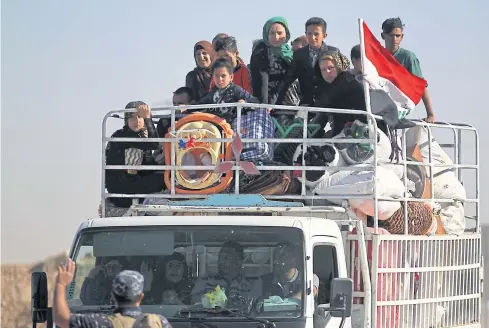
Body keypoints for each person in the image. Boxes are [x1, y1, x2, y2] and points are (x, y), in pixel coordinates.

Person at [54, 259, 172, 328]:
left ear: (113, 295)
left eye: (114, 267)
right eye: (108, 267)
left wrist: (61, 284)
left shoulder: (102, 323)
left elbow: (62, 318)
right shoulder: (159, 322)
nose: (110, 269)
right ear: (141, 297)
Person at [105, 101, 165, 209]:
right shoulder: (122, 135)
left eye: (139, 117)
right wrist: (148, 119)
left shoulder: (140, 137)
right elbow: (154, 144)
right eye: (132, 117)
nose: (136, 121)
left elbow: (148, 166)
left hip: (131, 183)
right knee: (163, 178)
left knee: (165, 175)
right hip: (122, 190)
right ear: (126, 120)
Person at [275, 17, 340, 106]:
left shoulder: (334, 52)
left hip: (330, 106)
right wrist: (273, 104)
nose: (313, 38)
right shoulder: (299, 54)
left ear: (324, 35)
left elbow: (342, 79)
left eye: (316, 34)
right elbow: (287, 80)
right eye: (309, 34)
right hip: (306, 105)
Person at [381, 17, 435, 123]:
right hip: (380, 104)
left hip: (400, 105)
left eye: (398, 36)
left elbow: (421, 86)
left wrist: (430, 114)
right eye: (391, 35)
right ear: (383, 36)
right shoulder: (377, 56)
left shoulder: (408, 57)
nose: (395, 39)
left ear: (402, 37)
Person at [249, 16, 300, 106]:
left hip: (290, 103)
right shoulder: (261, 52)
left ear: (286, 34)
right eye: (272, 33)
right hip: (266, 104)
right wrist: (265, 106)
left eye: (280, 33)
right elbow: (260, 80)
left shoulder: (291, 53)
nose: (276, 37)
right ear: (266, 35)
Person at [193, 58, 259, 123]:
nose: (220, 79)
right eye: (216, 76)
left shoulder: (236, 90)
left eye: (223, 76)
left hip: (233, 127)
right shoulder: (213, 92)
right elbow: (201, 104)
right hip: (216, 126)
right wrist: (187, 108)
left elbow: (255, 101)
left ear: (231, 77)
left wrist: (245, 102)